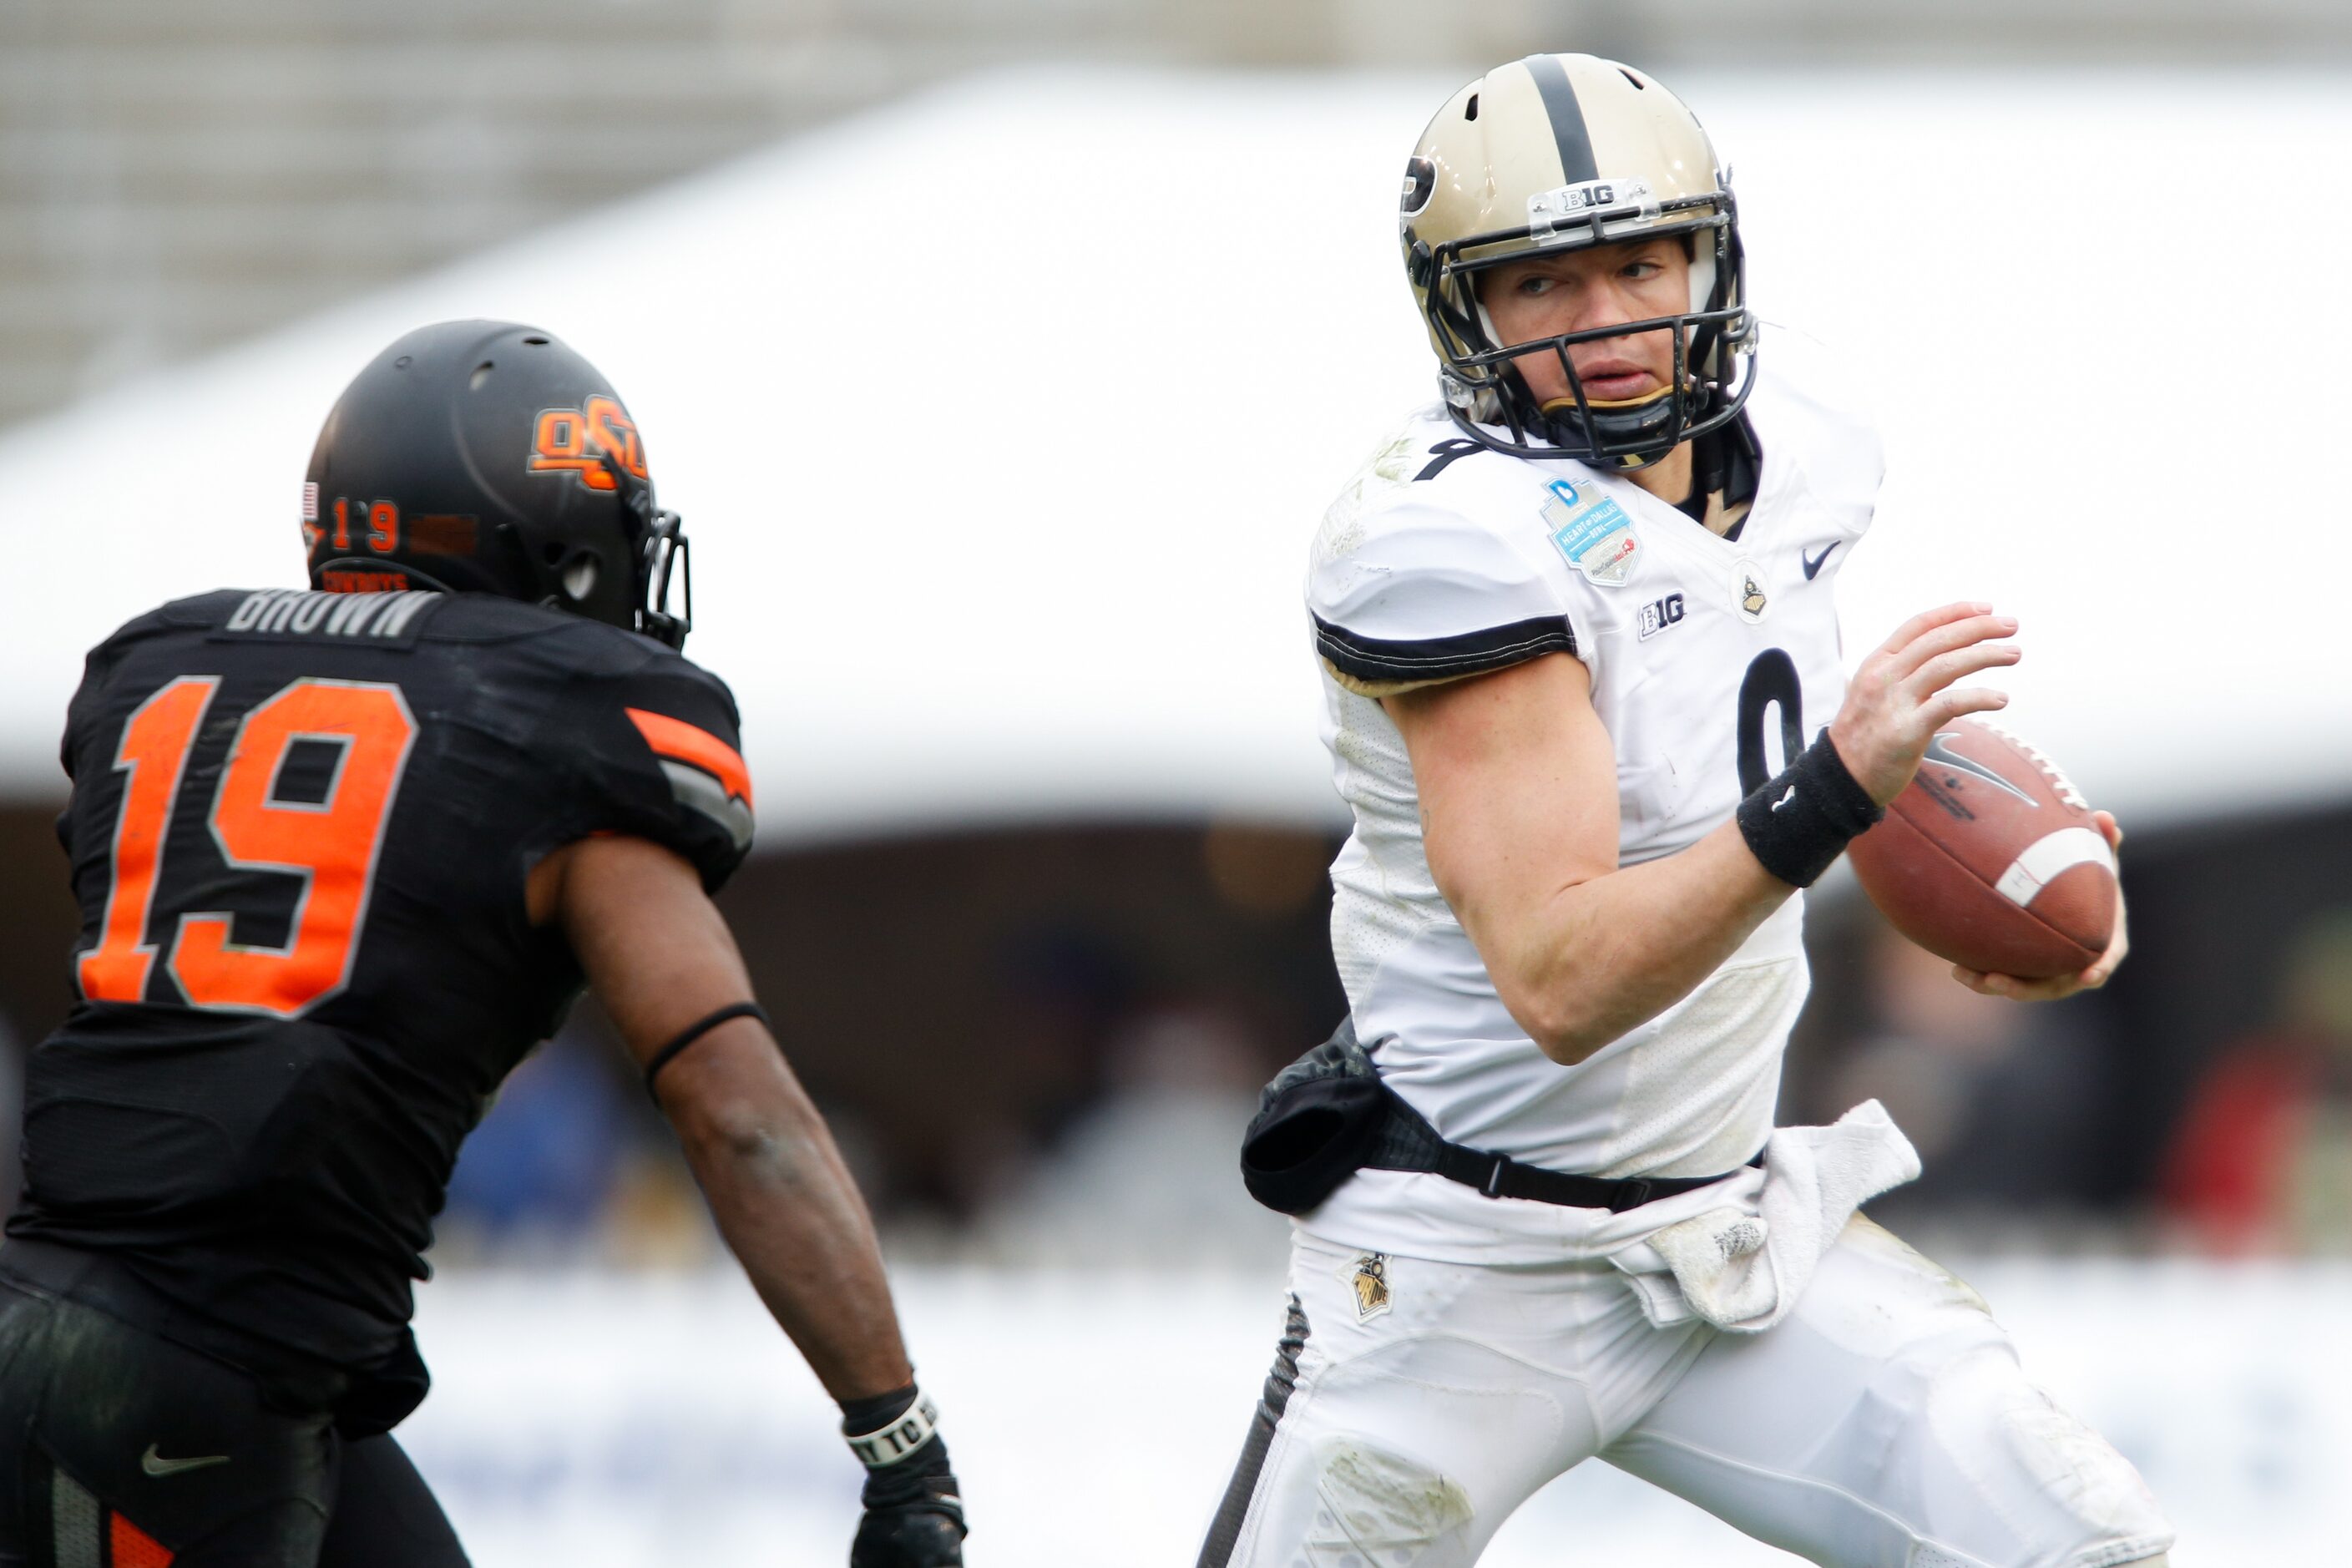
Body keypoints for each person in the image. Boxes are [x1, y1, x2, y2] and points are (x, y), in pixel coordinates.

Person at [1199, 56, 2172, 1567]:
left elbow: (1724, 728)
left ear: (1707, 253)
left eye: (1640, 263)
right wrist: (1839, 788)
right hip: (1464, 1270)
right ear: (1464, 313)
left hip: (1729, 1247)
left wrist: (1974, 870)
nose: (1608, 325)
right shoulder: (1444, 538)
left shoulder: (1805, 430)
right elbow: (1564, 978)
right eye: (1542, 285)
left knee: (2085, 1539)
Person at [0, 321, 965, 1568]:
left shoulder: (160, 668)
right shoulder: (558, 729)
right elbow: (740, 1112)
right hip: (205, 1387)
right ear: (557, 554)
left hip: (74, 1323)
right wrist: (901, 1445)